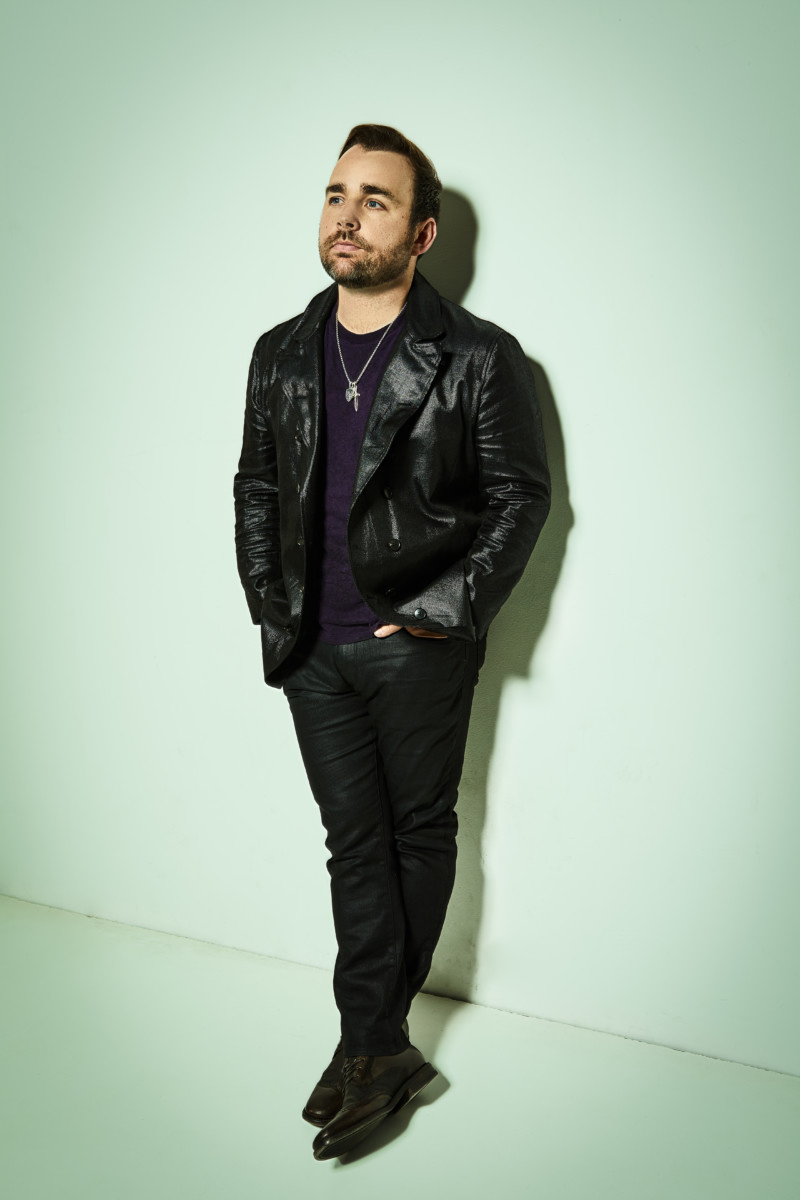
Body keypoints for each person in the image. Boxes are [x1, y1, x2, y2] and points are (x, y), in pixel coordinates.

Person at [233, 124, 550, 1160]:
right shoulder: (280, 351)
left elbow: (520, 498)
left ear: (421, 234)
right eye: (336, 193)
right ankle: (378, 1044)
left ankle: (368, 1043)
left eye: (375, 199)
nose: (346, 214)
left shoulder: (478, 356)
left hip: (417, 645)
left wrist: (440, 610)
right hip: (311, 650)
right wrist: (270, 603)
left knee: (413, 835)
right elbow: (255, 486)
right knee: (352, 844)